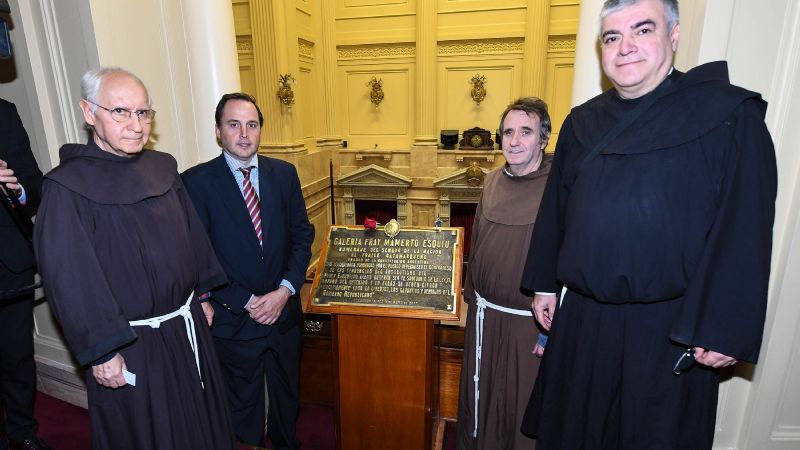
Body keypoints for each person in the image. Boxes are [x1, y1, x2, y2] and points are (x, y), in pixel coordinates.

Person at [520, 0, 778, 448]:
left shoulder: (729, 116)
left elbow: (745, 229)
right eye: (612, 37)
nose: (625, 48)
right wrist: (544, 282)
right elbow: (557, 211)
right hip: (584, 323)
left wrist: (725, 327)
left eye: (642, 30)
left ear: (673, 36)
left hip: (669, 330)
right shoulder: (582, 122)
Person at [32, 67, 236, 450]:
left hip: (184, 325)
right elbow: (70, 279)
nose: (136, 125)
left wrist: (203, 296)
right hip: (129, 344)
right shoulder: (66, 187)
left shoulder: (163, 168)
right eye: (121, 112)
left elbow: (192, 236)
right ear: (89, 112)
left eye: (143, 113)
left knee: (199, 427)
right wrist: (103, 350)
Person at [182, 93, 313, 449]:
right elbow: (198, 254)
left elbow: (303, 236)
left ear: (260, 131)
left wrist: (285, 291)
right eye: (234, 124)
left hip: (284, 313)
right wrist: (246, 300)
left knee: (288, 397)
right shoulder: (195, 182)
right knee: (243, 408)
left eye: (252, 125)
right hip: (235, 318)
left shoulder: (284, 175)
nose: (244, 134)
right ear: (218, 131)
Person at [455, 97, 551, 450]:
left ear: (543, 138)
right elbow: (477, 242)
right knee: (479, 401)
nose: (514, 141)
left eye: (525, 132)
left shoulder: (557, 186)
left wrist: (550, 332)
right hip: (484, 319)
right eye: (508, 132)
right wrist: (469, 299)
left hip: (529, 327)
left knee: (519, 406)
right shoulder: (492, 181)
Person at [0, 99, 51, 450]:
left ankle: (22, 434)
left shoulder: (4, 112)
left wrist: (14, 189)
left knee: (17, 357)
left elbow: (33, 184)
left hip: (9, 262)